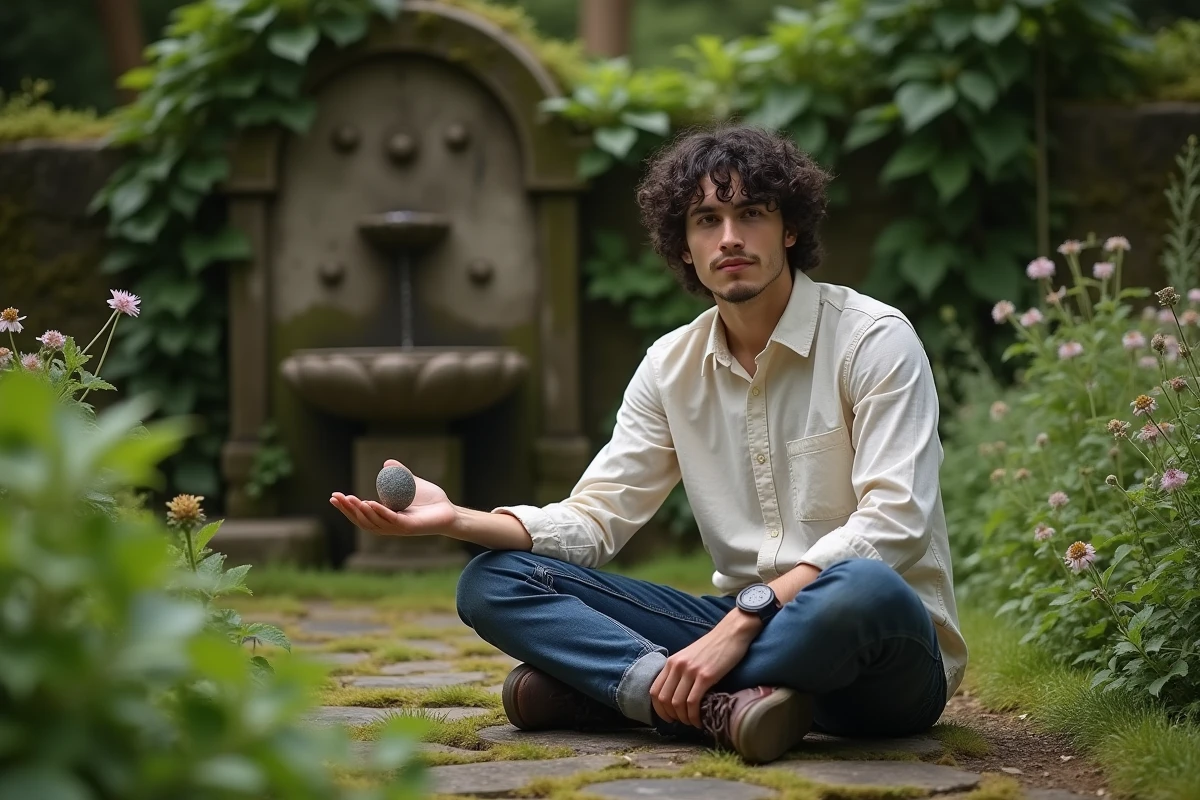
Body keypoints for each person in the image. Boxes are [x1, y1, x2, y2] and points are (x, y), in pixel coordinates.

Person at [330, 124, 967, 765]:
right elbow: (594, 520)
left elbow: (894, 522)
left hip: (876, 652)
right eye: (706, 219)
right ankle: (719, 705)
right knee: (491, 582)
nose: (730, 238)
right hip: (745, 635)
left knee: (862, 587)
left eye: (751, 214)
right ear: (684, 246)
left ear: (790, 228)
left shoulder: (873, 340)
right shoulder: (670, 365)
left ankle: (616, 692)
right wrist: (456, 519)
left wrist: (743, 619)